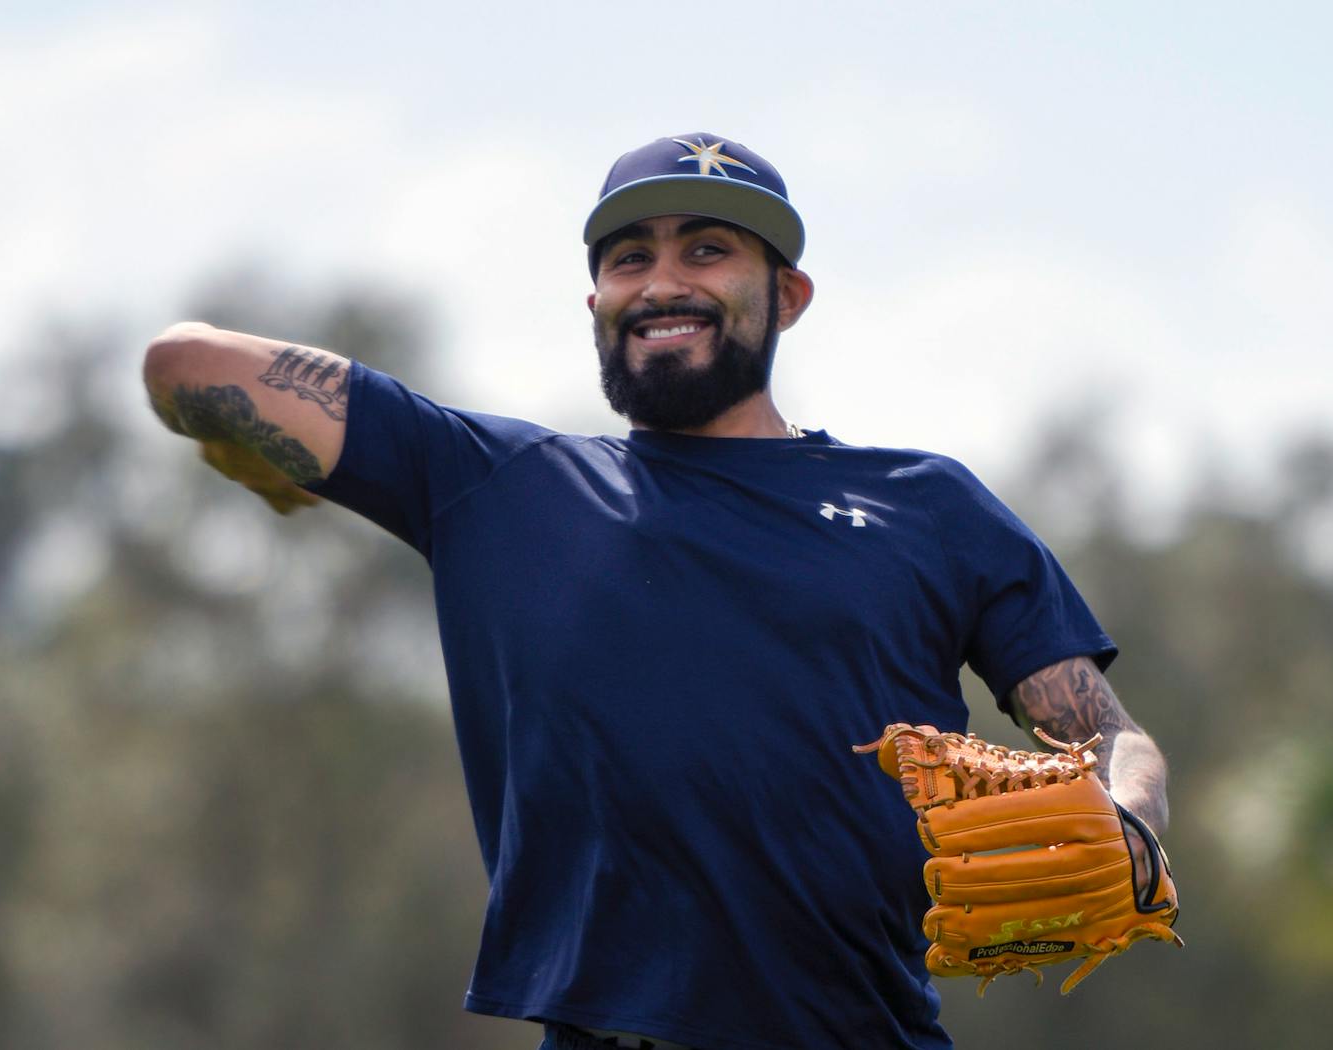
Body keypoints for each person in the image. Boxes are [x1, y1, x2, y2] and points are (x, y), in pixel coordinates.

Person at [143, 133, 1170, 1050]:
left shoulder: (926, 505)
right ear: (595, 305)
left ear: (788, 295)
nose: (662, 280)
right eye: (629, 258)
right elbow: (187, 365)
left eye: (707, 249)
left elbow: (1111, 735)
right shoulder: (505, 489)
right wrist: (246, 450)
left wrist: (1129, 820)